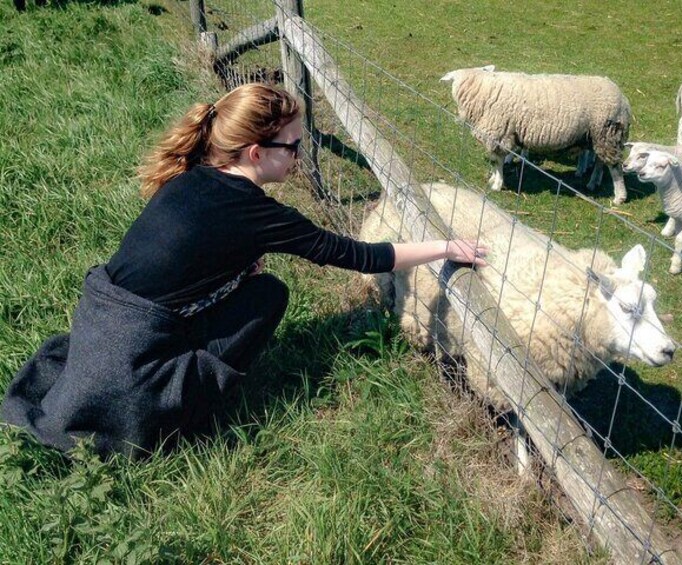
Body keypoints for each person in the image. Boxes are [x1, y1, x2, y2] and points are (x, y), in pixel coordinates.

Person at [1, 83, 487, 458]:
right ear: (257, 153)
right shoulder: (258, 214)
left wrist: (234, 269)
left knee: (253, 280)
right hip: (129, 362)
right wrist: (445, 245)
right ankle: (192, 409)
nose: (300, 156)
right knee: (269, 293)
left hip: (99, 326)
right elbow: (361, 256)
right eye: (293, 147)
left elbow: (185, 260)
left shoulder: (193, 176)